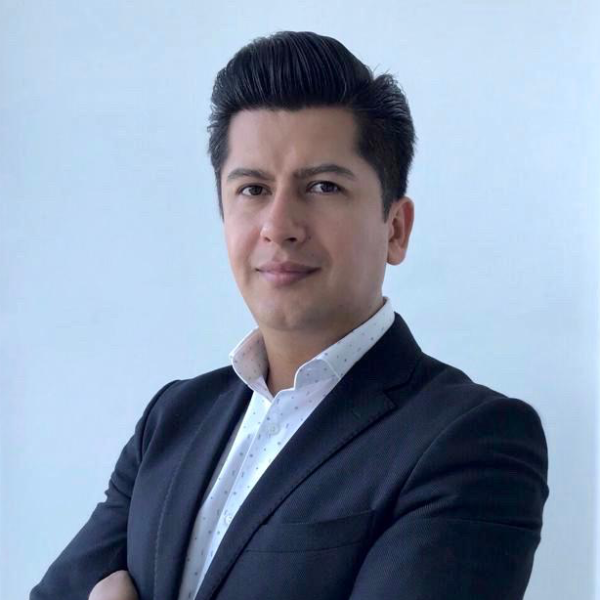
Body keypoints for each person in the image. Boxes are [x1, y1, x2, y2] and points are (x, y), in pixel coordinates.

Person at [30, 30, 549, 600]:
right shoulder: (173, 419)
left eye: (323, 186)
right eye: (253, 189)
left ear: (395, 229)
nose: (279, 226)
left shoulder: (470, 440)